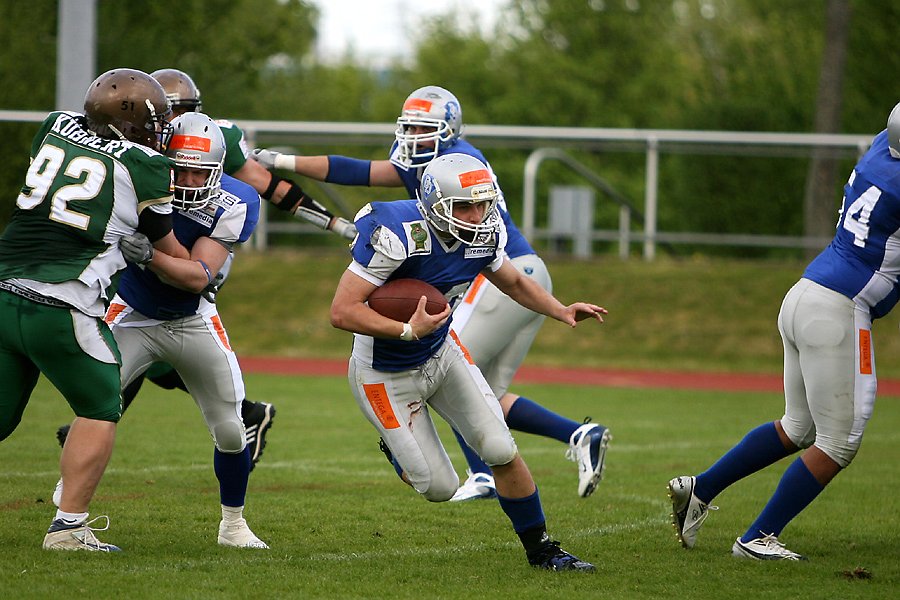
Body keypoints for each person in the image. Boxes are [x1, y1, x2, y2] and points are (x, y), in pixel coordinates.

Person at [253, 85, 611, 500]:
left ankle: (481, 474)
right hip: (516, 271)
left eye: (424, 129)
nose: (413, 137)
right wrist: (281, 161)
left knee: (451, 366)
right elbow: (357, 171)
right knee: (486, 391)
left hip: (500, 268)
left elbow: (493, 262)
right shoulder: (424, 160)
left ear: (449, 129)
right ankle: (578, 434)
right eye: (410, 127)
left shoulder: (458, 164)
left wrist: (558, 309)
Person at [54, 68, 354, 466]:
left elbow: (268, 186)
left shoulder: (216, 140)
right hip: (154, 241)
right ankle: (237, 411)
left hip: (205, 241)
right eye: (169, 111)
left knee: (171, 310)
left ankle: (107, 416)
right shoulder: (140, 139)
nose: (176, 121)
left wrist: (334, 224)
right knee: (151, 350)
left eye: (185, 110)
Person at [330, 152, 606, 571]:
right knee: (439, 487)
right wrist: (406, 329)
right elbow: (342, 311)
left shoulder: (484, 234)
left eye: (482, 205)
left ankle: (542, 550)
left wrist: (561, 309)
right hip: (383, 373)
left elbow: (514, 282)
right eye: (463, 206)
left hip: (442, 355)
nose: (476, 216)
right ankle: (396, 447)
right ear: (434, 201)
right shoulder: (398, 233)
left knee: (500, 448)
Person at [668, 102, 900, 561]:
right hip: (840, 309)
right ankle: (758, 536)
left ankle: (701, 488)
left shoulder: (880, 149)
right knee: (840, 441)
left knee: (799, 427)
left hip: (805, 293)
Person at [0, 68, 184, 551]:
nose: (160, 131)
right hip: (61, 300)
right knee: (101, 404)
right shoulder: (146, 164)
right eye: (155, 121)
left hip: (3, 289)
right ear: (132, 122)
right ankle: (69, 528)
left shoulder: (54, 125)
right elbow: (169, 251)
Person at [104, 111, 268, 548]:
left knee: (231, 428)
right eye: (182, 170)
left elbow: (198, 276)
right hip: (132, 312)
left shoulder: (238, 199)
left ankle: (233, 526)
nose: (191, 181)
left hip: (193, 317)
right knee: (95, 408)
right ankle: (68, 514)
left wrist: (150, 255)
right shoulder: (136, 183)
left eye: (201, 172)